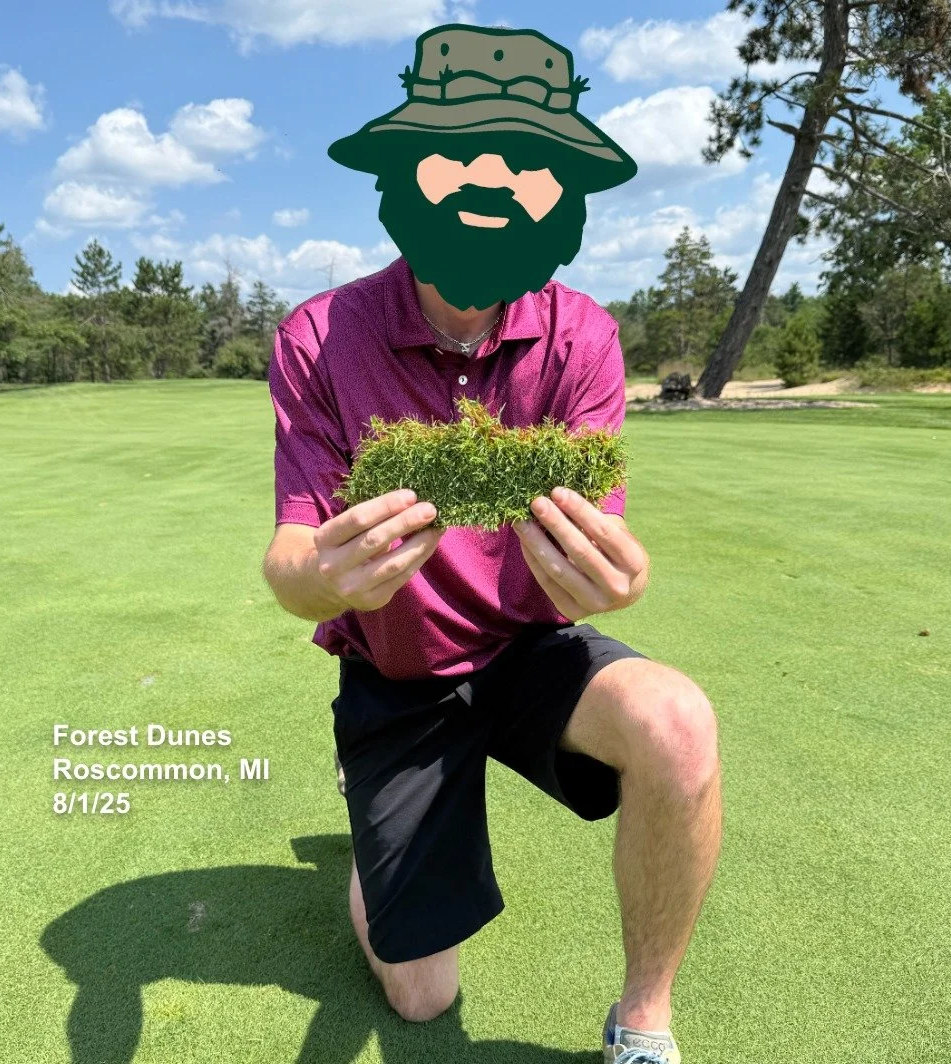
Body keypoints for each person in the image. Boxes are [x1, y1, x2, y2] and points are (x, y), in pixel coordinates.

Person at [263, 24, 722, 1064]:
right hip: (398, 667)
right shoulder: (317, 336)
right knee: (418, 995)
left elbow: (599, 524)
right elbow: (292, 554)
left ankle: (642, 1020)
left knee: (679, 724)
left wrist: (620, 571)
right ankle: (371, 836)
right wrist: (312, 579)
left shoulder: (581, 335)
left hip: (525, 648)